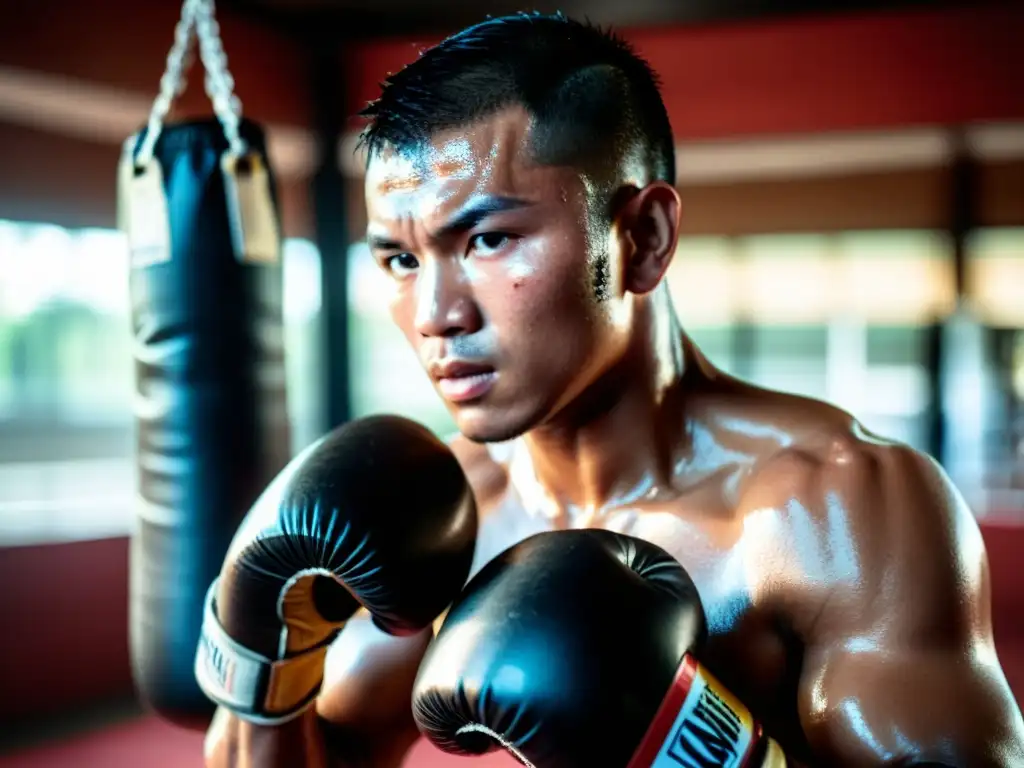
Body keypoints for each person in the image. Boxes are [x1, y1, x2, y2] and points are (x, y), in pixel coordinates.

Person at [205, 12, 1024, 768]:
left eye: (489, 239)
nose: (436, 314)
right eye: (401, 260)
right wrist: (259, 655)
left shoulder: (837, 508)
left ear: (643, 237)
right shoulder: (449, 515)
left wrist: (698, 750)